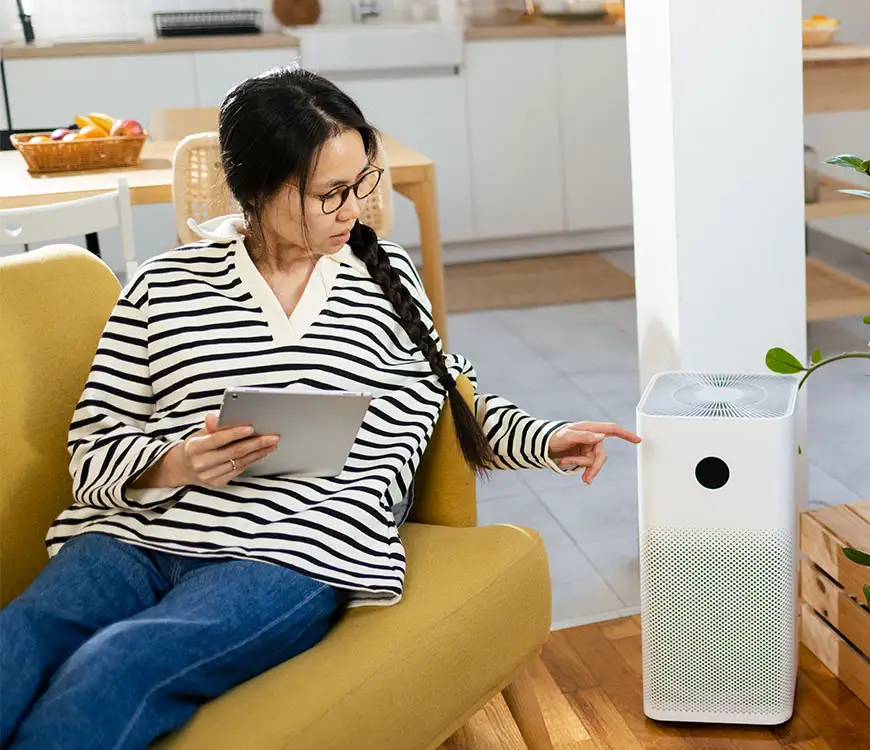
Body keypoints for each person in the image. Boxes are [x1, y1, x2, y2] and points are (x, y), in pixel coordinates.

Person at [0, 66, 640, 750]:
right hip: (132, 538)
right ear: (256, 189)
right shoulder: (163, 286)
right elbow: (92, 448)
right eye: (330, 193)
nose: (354, 210)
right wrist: (174, 461)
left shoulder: (382, 281)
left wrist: (546, 439)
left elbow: (446, 390)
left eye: (362, 184)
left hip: (290, 549)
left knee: (117, 664)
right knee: (20, 635)